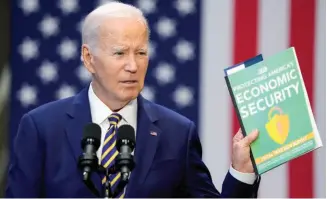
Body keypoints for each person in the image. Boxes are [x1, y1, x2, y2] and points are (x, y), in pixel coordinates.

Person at [5, 2, 261, 198]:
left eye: (141, 53)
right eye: (119, 53)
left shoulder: (177, 133)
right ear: (88, 57)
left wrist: (242, 171)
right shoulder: (41, 128)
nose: (132, 65)